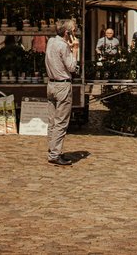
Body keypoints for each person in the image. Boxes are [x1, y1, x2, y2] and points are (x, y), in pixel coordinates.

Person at [45, 20, 79, 166]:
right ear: (67, 33)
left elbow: (58, 55)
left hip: (51, 84)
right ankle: (55, 154)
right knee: (61, 122)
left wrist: (68, 47)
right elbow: (71, 67)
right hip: (62, 86)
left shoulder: (51, 41)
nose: (75, 32)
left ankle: (52, 149)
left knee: (52, 121)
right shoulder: (63, 46)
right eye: (74, 30)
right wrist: (75, 50)